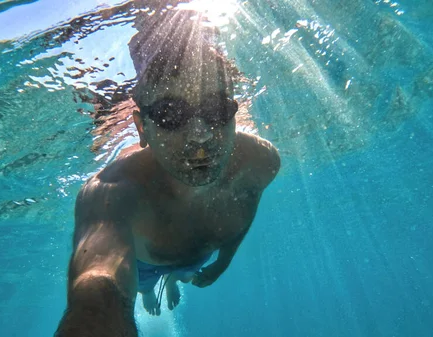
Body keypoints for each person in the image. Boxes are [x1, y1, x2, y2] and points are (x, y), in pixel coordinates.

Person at [55, 7, 280, 337]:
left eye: (216, 108)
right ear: (141, 127)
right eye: (170, 114)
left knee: (183, 271)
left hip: (195, 258)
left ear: (233, 113)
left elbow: (243, 214)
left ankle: (174, 280)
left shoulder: (261, 162)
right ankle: (150, 289)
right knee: (144, 286)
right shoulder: (112, 193)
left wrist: (222, 262)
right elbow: (98, 292)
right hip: (146, 266)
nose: (200, 135)